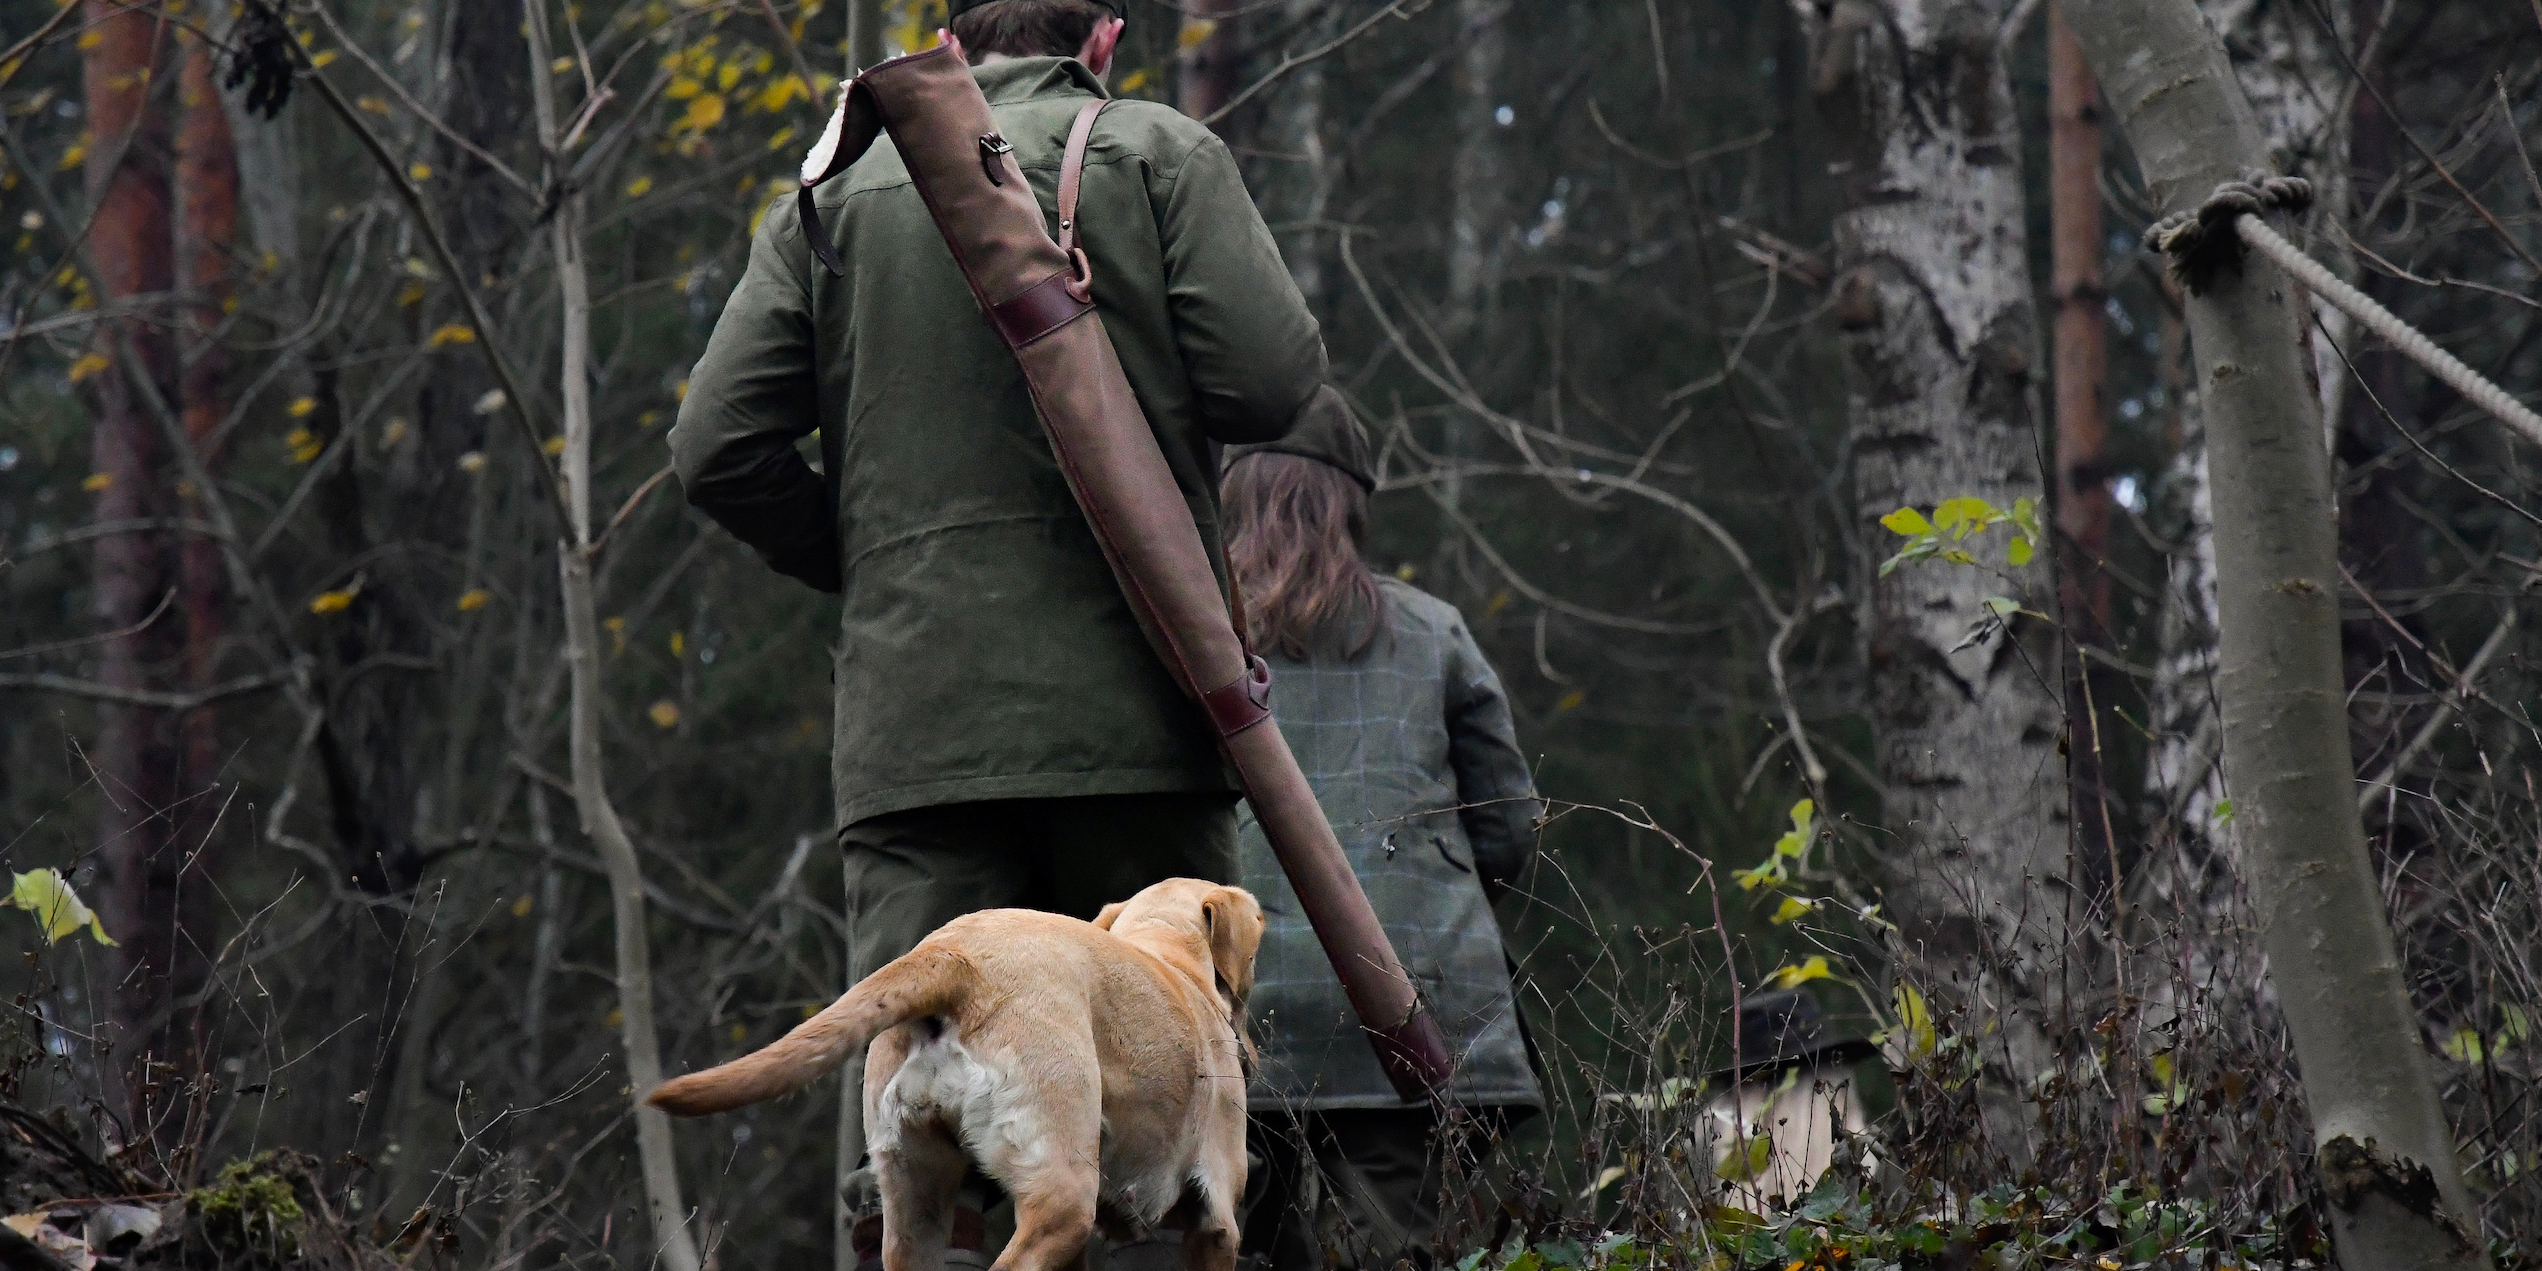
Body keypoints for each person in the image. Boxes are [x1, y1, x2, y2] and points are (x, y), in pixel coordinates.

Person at [667, 0, 1327, 1264]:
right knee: (1160, 1152)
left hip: (923, 743)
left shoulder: (842, 192)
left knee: (927, 1163)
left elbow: (714, 447)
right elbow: (1275, 382)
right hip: (1142, 713)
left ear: (952, 38)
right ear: (1106, 35)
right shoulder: (1156, 153)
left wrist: (870, 568)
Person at [1218, 399, 1544, 1271]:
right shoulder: (1433, 634)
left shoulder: (1190, 640)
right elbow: (1510, 828)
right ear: (1352, 505)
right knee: (1400, 1254)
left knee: (1233, 1248)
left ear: (1232, 499)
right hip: (1411, 1012)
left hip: (1234, 1019)